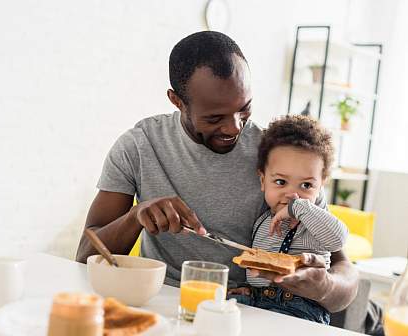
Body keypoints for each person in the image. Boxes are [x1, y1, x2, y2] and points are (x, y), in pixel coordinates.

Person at [76, 31, 358, 313]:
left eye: (244, 109)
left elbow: (344, 279)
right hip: (167, 305)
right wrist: (135, 216)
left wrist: (325, 287)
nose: (235, 127)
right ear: (177, 101)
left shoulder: (278, 156)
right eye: (214, 117)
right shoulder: (139, 146)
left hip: (251, 312)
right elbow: (85, 257)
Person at [227, 115, 349, 324]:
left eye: (306, 186)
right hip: (257, 301)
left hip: (301, 308)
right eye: (281, 182)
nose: (292, 194)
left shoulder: (313, 220)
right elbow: (257, 275)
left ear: (321, 186)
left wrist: (300, 208)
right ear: (263, 181)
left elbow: (338, 239)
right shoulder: (262, 221)